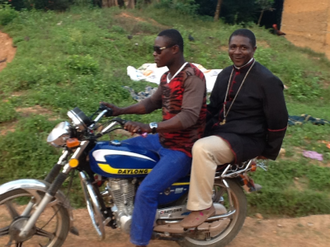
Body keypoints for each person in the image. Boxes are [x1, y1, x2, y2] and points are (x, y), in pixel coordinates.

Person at [102, 29, 207, 246]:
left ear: (174, 49)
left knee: (147, 192)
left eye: (158, 50)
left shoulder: (193, 77)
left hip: (182, 148)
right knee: (118, 151)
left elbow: (188, 117)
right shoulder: (167, 77)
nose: (154, 54)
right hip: (162, 140)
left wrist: (150, 127)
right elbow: (150, 104)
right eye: (154, 50)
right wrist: (119, 111)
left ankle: (139, 241)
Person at [180, 28, 288, 228]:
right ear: (228, 48)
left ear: (254, 49)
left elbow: (278, 120)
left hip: (248, 139)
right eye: (233, 47)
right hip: (223, 132)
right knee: (180, 141)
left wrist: (268, 151)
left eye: (243, 47)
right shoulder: (225, 74)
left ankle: (202, 207)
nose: (237, 52)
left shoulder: (268, 81)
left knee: (203, 149)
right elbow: (213, 109)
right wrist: (190, 128)